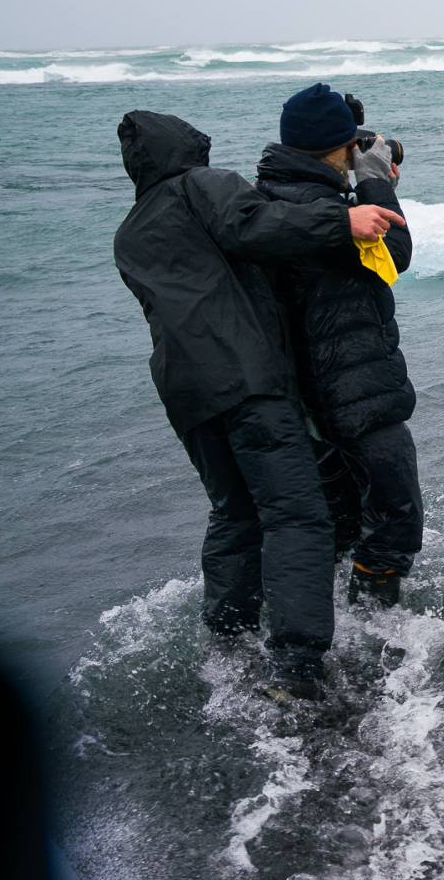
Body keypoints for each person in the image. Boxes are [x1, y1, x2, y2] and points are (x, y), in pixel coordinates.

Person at [112, 111, 404, 698]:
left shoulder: (131, 230)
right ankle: (295, 668)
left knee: (235, 512)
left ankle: (228, 640)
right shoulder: (204, 184)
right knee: (297, 516)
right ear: (186, 147)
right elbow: (256, 226)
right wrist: (342, 219)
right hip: (248, 380)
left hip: (185, 391)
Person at [256, 84, 423, 607]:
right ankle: (377, 625)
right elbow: (395, 254)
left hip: (306, 392)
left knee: (344, 511)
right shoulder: (328, 214)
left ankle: (325, 620)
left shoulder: (276, 199)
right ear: (338, 149)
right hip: (353, 387)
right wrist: (374, 182)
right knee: (396, 513)